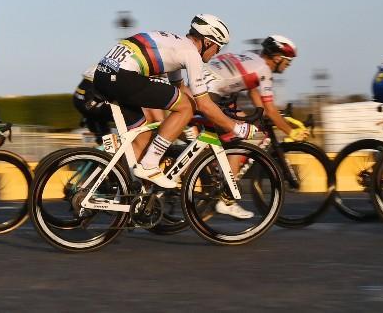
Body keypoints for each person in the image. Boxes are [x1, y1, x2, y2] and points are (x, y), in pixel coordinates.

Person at [89, 14, 230, 188]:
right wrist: (236, 127)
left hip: (105, 75)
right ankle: (150, 164)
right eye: (218, 47)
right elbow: (200, 102)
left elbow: (180, 88)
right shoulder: (190, 53)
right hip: (122, 77)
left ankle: (127, 193)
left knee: (143, 138)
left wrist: (210, 108)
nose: (217, 53)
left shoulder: (177, 45)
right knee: (185, 107)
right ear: (208, 42)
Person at [196, 35, 299, 219]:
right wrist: (292, 131)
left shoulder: (251, 56)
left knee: (250, 131)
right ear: (277, 57)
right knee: (243, 138)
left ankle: (218, 173)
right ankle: (226, 199)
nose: (288, 65)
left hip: (207, 88)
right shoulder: (265, 70)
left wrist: (261, 112)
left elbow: (253, 90)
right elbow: (271, 110)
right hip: (212, 94)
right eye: (288, 61)